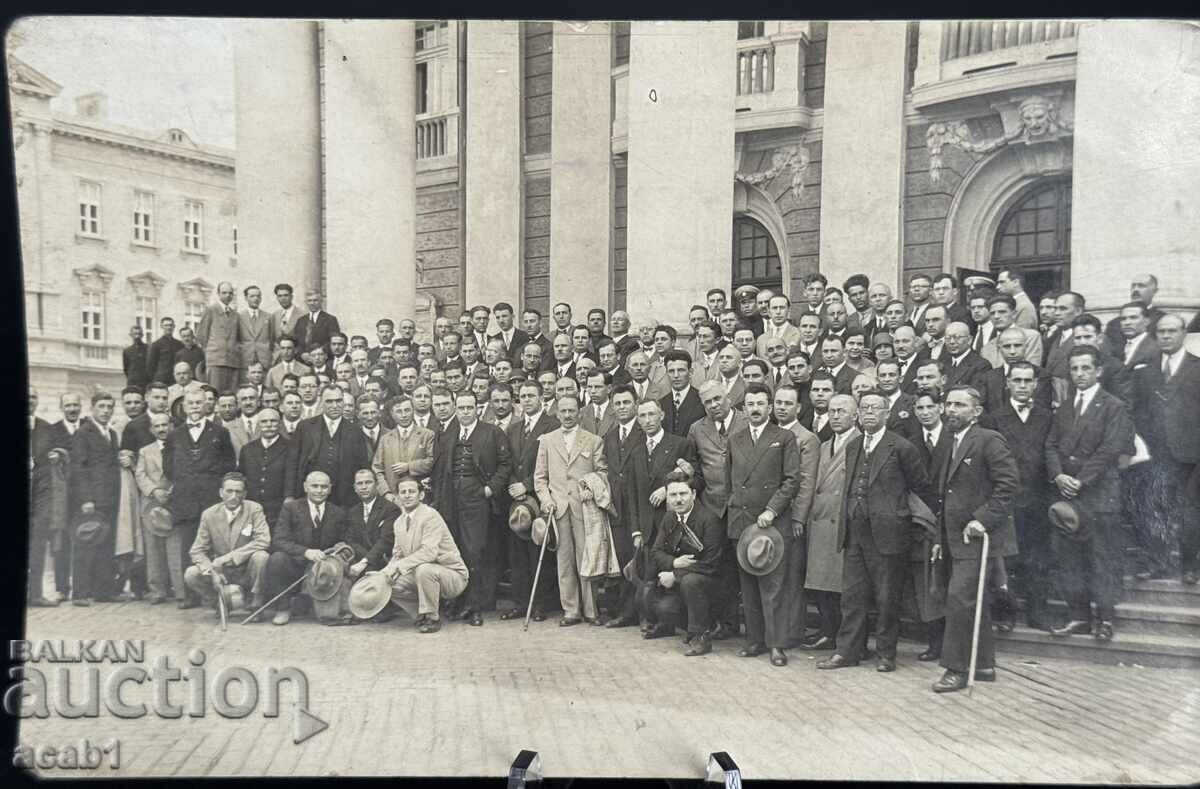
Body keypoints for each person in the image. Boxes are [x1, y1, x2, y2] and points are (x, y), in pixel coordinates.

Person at [818, 391, 932, 673]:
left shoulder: (902, 447)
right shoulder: (854, 445)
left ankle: (886, 654)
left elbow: (920, 487)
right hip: (855, 533)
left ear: (886, 413)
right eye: (864, 407)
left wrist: (899, 515)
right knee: (852, 597)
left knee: (886, 597)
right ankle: (848, 651)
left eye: (875, 408)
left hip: (888, 534)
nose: (869, 412)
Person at [932, 386, 1020, 693]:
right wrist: (939, 536)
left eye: (959, 405)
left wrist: (982, 519)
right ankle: (982, 664)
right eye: (948, 404)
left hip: (978, 538)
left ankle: (955, 669)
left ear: (976, 411)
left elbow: (1008, 485)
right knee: (969, 599)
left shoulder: (988, 439)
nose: (951, 410)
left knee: (960, 600)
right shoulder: (950, 441)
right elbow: (946, 494)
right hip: (953, 537)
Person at [726, 382, 801, 667]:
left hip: (771, 524)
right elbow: (729, 479)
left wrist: (771, 510)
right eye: (750, 404)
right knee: (748, 588)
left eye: (760, 404)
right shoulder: (735, 439)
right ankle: (754, 640)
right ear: (744, 409)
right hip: (743, 522)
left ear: (770, 408)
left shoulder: (784, 438)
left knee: (773, 588)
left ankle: (776, 645)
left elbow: (792, 481)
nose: (755, 409)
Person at [979, 362, 1055, 630]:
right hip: (1006, 499)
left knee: (1038, 557)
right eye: (1017, 380)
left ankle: (1038, 613)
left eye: (1027, 381)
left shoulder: (1047, 417)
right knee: (1005, 560)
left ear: (1035, 384)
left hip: (1037, 499)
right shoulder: (994, 418)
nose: (1022, 386)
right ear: (1008, 383)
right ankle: (1004, 613)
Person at [430, 390, 512, 625]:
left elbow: (506, 464)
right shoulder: (447, 435)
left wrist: (490, 489)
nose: (465, 412)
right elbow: (440, 470)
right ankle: (457, 602)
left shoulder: (492, 432)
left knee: (474, 552)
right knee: (453, 552)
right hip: (450, 500)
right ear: (455, 409)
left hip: (477, 500)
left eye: (470, 407)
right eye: (461, 408)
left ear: (477, 409)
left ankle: (475, 607)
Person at [1131, 314, 1200, 584]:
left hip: (1191, 453)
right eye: (1161, 331)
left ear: (1183, 333)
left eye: (1172, 331)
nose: (1167, 336)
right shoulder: (1145, 370)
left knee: (1190, 509)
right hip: (1155, 453)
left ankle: (1189, 565)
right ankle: (1158, 563)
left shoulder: (1197, 367)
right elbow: (1137, 411)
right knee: (1155, 507)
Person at [533, 394, 608, 626]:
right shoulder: (547, 440)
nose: (567, 415)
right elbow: (540, 478)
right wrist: (546, 500)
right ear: (557, 413)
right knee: (564, 561)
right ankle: (571, 610)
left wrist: (591, 488)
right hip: (558, 509)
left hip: (584, 508)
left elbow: (602, 473)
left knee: (587, 558)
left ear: (579, 413)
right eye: (563, 411)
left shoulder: (593, 440)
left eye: (571, 410)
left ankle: (592, 610)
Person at [163, 387, 237, 608]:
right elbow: (169, 467)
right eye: (191, 403)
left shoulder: (220, 433)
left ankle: (217, 594)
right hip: (186, 500)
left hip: (211, 499)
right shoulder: (174, 435)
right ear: (184, 407)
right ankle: (189, 595)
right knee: (188, 546)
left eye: (199, 402)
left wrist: (210, 482)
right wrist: (187, 482)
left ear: (207, 405)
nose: (195, 407)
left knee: (216, 546)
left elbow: (228, 464)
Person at [639, 471, 727, 655]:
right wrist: (675, 562)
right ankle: (668, 624)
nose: (678, 500)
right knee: (652, 595)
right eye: (673, 495)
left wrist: (675, 575)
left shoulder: (709, 519)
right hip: (684, 581)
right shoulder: (669, 518)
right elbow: (656, 552)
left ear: (693, 494)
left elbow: (711, 564)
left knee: (690, 582)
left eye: (683, 494)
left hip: (712, 584)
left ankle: (700, 637)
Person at [378, 475, 470, 632]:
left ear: (421, 495)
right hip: (422, 575)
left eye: (411, 491)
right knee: (388, 583)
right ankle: (421, 615)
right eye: (403, 492)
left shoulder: (430, 516)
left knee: (424, 569)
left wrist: (399, 566)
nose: (407, 495)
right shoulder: (398, 523)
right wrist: (383, 574)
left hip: (452, 575)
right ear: (398, 497)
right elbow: (397, 555)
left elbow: (429, 553)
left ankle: (432, 618)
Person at [502, 380, 560, 622]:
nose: (526, 400)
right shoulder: (513, 428)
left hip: (540, 496)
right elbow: (506, 461)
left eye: (531, 396)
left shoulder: (552, 425)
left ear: (541, 398)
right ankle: (520, 602)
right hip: (516, 498)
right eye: (523, 396)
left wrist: (526, 485)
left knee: (538, 551)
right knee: (517, 553)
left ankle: (540, 604)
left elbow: (553, 464)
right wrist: (514, 486)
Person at [263, 471, 349, 625]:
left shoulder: (338, 512)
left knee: (327, 615)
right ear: (305, 487)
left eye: (324, 487)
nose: (319, 490)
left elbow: (344, 541)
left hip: (323, 568)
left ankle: (308, 601)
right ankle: (283, 608)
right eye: (314, 486)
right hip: (296, 564)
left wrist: (339, 547)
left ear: (330, 489)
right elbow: (279, 540)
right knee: (277, 559)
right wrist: (305, 552)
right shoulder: (291, 508)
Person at [772, 384, 821, 649]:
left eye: (788, 403)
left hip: (792, 516)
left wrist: (799, 518)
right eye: (778, 403)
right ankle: (775, 629)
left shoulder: (807, 438)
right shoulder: (771, 433)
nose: (782, 408)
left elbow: (807, 481)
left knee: (792, 576)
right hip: (772, 514)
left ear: (798, 408)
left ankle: (792, 631)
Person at [184, 472, 271, 611]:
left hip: (246, 570)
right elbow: (197, 550)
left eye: (238, 491)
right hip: (222, 572)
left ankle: (255, 602)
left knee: (261, 556)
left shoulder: (254, 509)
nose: (234, 496)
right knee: (191, 574)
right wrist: (212, 571)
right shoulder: (209, 514)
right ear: (221, 492)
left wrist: (226, 558)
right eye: (229, 491)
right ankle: (220, 603)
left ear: (245, 494)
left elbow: (263, 540)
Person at [69, 391, 121, 605]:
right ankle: (80, 593)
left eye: (109, 407)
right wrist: (86, 499)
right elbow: (78, 469)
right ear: (92, 409)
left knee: (105, 544)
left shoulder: (112, 434)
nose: (106, 411)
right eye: (102, 406)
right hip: (92, 500)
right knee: (86, 542)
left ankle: (103, 591)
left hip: (110, 498)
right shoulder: (83, 433)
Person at [286, 384, 373, 507]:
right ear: (321, 402)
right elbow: (292, 462)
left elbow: (362, 465)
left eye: (338, 401)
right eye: (329, 401)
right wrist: (289, 495)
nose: (334, 405)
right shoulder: (305, 427)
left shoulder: (355, 430)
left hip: (344, 497)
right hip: (309, 495)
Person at [134, 411, 181, 604]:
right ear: (151, 430)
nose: (162, 429)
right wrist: (154, 491)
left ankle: (181, 592)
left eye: (165, 425)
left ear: (171, 426)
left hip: (174, 502)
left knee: (175, 550)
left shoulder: (181, 446)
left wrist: (171, 492)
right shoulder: (145, 451)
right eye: (157, 426)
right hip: (150, 505)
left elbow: (185, 472)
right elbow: (140, 475)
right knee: (153, 550)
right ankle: (157, 591)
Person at [28, 387, 66, 607]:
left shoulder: (46, 428)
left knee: (38, 542)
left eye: (33, 397)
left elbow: (61, 452)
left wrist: (57, 455)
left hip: (41, 493)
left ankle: (35, 594)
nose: (29, 400)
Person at [372, 396, 436, 500]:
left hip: (420, 496)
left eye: (407, 410)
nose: (404, 415)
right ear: (392, 414)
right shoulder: (385, 439)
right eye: (399, 411)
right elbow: (377, 469)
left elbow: (433, 461)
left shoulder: (427, 435)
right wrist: (386, 492)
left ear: (413, 410)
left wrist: (409, 466)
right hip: (393, 497)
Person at [237, 407, 290, 528]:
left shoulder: (290, 447)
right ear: (258, 424)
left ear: (280, 423)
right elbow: (241, 477)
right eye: (264, 421)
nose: (269, 425)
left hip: (278, 509)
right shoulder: (248, 449)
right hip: (251, 508)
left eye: (273, 421)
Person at [196, 281, 241, 392]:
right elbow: (202, 335)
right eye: (224, 293)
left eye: (230, 293)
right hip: (215, 360)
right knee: (215, 392)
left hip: (232, 361)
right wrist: (212, 351)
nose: (228, 295)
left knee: (231, 393)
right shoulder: (211, 310)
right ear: (218, 294)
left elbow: (238, 337)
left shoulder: (235, 315)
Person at [1103, 273, 1165, 351]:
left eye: (1141, 286)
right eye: (1133, 286)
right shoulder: (1114, 324)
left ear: (1155, 291)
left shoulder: (1163, 320)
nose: (1135, 290)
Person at [980, 294, 1043, 368]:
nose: (996, 316)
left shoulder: (1031, 337)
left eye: (1002, 312)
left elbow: (1031, 368)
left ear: (1014, 314)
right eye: (992, 313)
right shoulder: (987, 348)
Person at [660, 350, 705, 437]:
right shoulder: (660, 403)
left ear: (690, 372)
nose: (676, 375)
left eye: (681, 370)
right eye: (671, 371)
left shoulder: (702, 400)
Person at [238, 285, 275, 380]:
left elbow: (272, 339)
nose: (256, 299)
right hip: (245, 360)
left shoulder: (269, 317)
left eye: (258, 296)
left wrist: (270, 357)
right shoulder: (239, 317)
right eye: (252, 296)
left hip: (264, 361)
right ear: (246, 298)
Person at [292, 290, 341, 361]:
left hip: (322, 359)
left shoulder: (330, 319)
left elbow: (333, 341)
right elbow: (296, 341)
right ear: (306, 302)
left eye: (315, 300)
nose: (312, 303)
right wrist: (302, 354)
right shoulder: (301, 320)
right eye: (309, 301)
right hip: (302, 360)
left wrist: (317, 354)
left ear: (321, 301)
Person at [942, 322, 992, 392]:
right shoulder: (943, 362)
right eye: (948, 338)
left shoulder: (981, 365)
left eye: (957, 337)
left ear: (969, 340)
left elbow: (976, 395)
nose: (952, 342)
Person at [147, 317, 184, 385]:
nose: (169, 327)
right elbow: (150, 366)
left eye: (171, 325)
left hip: (176, 379)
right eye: (166, 325)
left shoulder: (179, 344)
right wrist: (155, 380)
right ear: (161, 326)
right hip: (162, 380)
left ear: (174, 327)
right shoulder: (156, 344)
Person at [270, 283, 299, 353]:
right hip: (278, 356)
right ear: (277, 298)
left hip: (295, 355)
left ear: (291, 297)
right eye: (280, 296)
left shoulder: (302, 315)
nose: (283, 298)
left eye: (286, 295)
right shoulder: (275, 315)